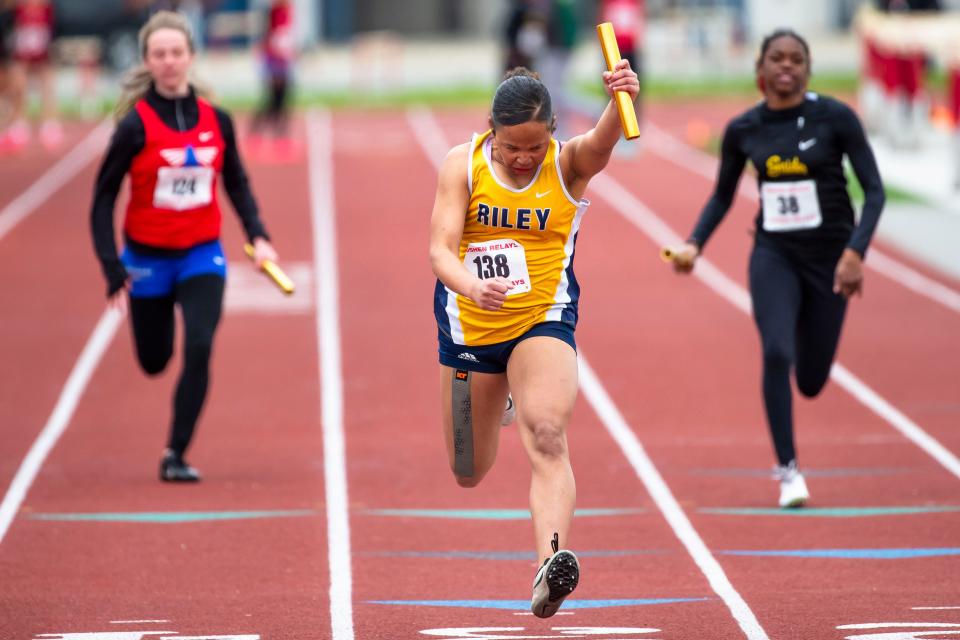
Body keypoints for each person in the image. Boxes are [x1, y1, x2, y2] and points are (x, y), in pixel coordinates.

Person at [429, 62, 639, 617]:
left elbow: (599, 142)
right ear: (490, 132)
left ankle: (550, 564)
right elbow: (439, 251)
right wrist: (473, 286)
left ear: (551, 132)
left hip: (542, 319)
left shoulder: (567, 164)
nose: (524, 158)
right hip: (470, 326)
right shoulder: (462, 164)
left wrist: (618, 102)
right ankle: (502, 397)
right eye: (511, 147)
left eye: (535, 146)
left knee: (548, 434)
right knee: (467, 471)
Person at [668, 30, 885, 508]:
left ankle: (793, 448)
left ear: (808, 69)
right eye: (777, 59)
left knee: (810, 380)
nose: (786, 66)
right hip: (774, 255)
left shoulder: (836, 118)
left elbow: (874, 191)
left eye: (796, 59)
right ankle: (789, 472)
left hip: (831, 262)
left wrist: (855, 252)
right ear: (760, 71)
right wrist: (693, 244)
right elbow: (724, 194)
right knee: (776, 352)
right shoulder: (744, 129)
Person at [90, 11, 277, 482]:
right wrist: (112, 267)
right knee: (155, 362)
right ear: (148, 61)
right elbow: (103, 198)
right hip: (146, 259)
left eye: (177, 53)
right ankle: (173, 437)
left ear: (191, 57)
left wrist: (258, 235)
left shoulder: (219, 121)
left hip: (200, 254)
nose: (169, 62)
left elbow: (235, 181)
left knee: (199, 344)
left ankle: (175, 453)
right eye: (160, 54)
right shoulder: (134, 126)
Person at [5, 0, 60, 151]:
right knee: (18, 86)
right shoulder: (18, 8)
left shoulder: (47, 8)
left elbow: (52, 30)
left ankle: (49, 123)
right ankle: (19, 123)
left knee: (47, 87)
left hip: (42, 52)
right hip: (22, 52)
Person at [249, 0, 295, 155]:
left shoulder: (287, 13)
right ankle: (257, 132)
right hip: (275, 62)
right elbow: (271, 38)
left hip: (283, 61)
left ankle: (279, 135)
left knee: (282, 99)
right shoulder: (274, 13)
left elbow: (286, 38)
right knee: (273, 100)